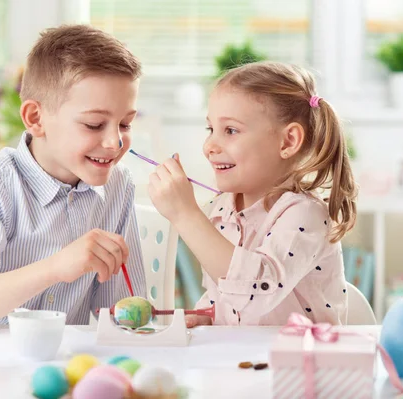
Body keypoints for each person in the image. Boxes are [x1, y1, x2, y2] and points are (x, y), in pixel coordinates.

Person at [0, 24, 146, 333]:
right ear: (35, 118)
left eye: (125, 124)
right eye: (95, 124)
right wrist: (56, 267)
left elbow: (120, 314)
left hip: (65, 367)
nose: (115, 142)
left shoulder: (119, 186)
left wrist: (163, 321)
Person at [147, 61, 357, 326]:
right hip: (243, 360)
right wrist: (208, 317)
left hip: (301, 362)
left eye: (231, 130)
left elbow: (256, 292)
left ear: (288, 141)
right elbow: (224, 294)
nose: (209, 146)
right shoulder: (223, 208)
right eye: (210, 129)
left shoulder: (305, 215)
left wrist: (186, 215)